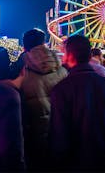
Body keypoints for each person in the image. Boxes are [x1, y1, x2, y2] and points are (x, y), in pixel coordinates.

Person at [49, 34, 105, 172]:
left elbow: (59, 136)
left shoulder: (61, 90)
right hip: (102, 161)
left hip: (73, 164)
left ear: (70, 55)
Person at [19, 28, 67, 172]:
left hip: (33, 136)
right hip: (60, 133)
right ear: (44, 42)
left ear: (25, 46)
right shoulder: (62, 70)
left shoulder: (20, 71)